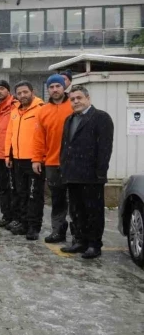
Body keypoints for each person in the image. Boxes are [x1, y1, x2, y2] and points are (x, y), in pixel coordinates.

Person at [59, 85, 114, 259]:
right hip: (72, 174)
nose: (76, 102)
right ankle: (80, 241)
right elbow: (65, 146)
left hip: (91, 176)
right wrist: (64, 167)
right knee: (76, 211)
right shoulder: (69, 120)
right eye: (73, 99)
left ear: (88, 98)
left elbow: (105, 148)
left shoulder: (101, 118)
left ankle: (94, 244)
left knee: (93, 212)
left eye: (79, 98)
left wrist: (100, 173)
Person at [32, 75, 74, 244]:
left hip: (73, 163)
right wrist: (36, 159)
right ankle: (58, 230)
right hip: (52, 162)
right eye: (52, 87)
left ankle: (78, 233)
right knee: (57, 200)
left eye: (58, 86)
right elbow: (39, 138)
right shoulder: (43, 111)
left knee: (76, 200)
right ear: (47, 89)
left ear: (64, 87)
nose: (55, 89)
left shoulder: (73, 105)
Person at [5, 81, 45, 240]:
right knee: (21, 193)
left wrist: (39, 158)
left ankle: (34, 226)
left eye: (25, 92)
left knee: (34, 195)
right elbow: (10, 134)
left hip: (34, 160)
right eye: (19, 93)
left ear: (32, 91)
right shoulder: (15, 112)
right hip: (17, 160)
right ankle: (23, 222)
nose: (22, 96)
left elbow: (43, 136)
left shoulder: (41, 109)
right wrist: (8, 155)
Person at [0, 80, 18, 228]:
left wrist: (11, 153)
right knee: (3, 187)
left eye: (2, 89)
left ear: (8, 90)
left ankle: (15, 217)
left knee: (14, 188)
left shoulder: (15, 106)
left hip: (12, 154)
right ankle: (6, 215)